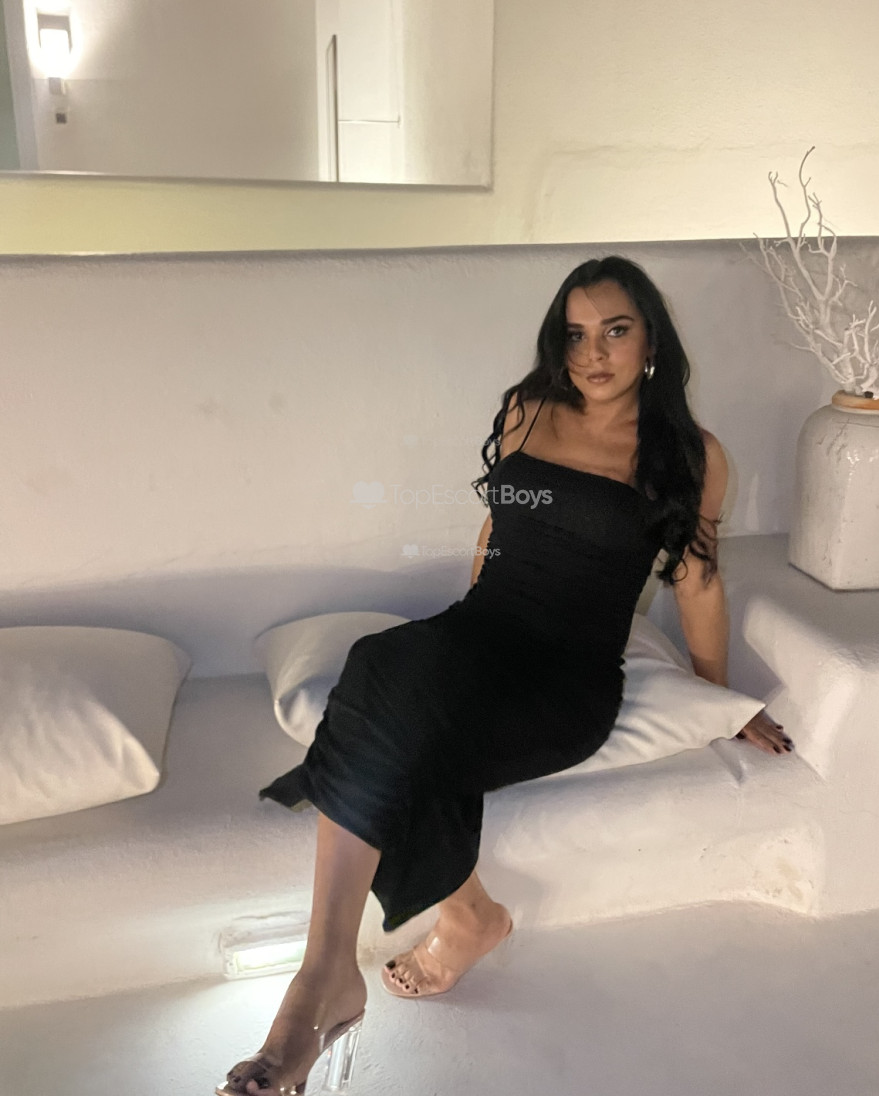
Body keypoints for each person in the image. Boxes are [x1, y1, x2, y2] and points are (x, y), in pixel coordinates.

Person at [217, 256, 793, 1096]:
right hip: (484, 627)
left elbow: (697, 581)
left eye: (615, 331)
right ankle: (360, 959)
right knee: (380, 666)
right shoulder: (528, 407)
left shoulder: (689, 454)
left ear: (651, 341)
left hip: (565, 675)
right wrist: (459, 641)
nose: (593, 354)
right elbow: (498, 529)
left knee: (404, 734)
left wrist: (717, 699)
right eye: (575, 334)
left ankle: (366, 966)